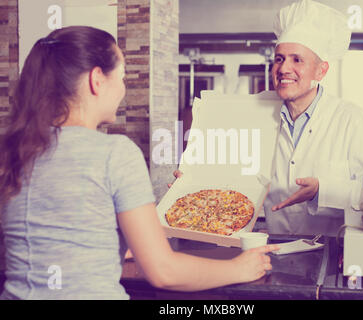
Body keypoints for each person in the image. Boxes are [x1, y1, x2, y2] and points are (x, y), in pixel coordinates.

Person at [0, 26, 278, 300]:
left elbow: (52, 240)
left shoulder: (13, 150)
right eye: (121, 77)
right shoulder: (115, 153)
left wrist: (119, 244)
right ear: (97, 80)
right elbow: (163, 272)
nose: (123, 89)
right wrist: (239, 268)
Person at [172, 0, 363, 237]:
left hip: (334, 254)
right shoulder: (256, 112)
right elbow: (228, 174)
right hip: (275, 250)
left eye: (297, 59)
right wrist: (194, 184)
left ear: (321, 71)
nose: (284, 68)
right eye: (279, 59)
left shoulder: (353, 121)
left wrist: (322, 190)